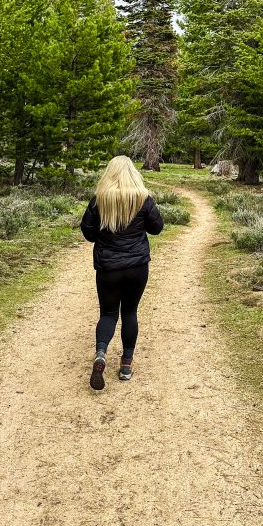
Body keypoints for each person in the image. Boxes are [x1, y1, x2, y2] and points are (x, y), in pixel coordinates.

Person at [80, 156, 164, 390]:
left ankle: (101, 354)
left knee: (108, 313)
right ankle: (126, 365)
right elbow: (157, 228)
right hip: (137, 267)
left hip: (108, 268)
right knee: (130, 311)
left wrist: (106, 237)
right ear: (133, 173)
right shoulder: (142, 198)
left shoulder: (100, 199)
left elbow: (87, 232)